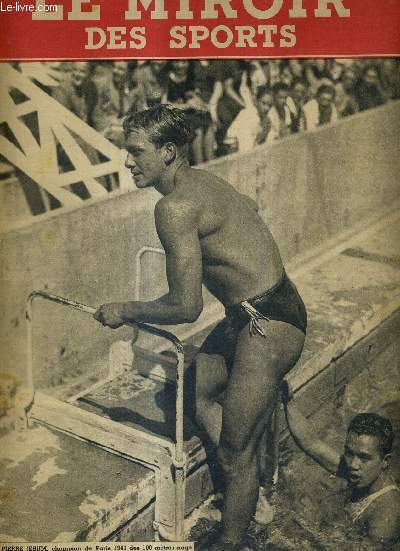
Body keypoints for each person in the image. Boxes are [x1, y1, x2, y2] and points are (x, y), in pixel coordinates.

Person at [94, 106, 307, 550]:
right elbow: (245, 209)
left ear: (167, 152)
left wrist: (125, 310)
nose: (127, 162)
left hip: (270, 323)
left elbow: (186, 306)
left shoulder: (174, 208)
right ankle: (247, 464)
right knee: (197, 392)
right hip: (252, 311)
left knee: (233, 449)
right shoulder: (203, 181)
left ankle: (234, 534)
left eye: (135, 152)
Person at [282, 384, 400, 546]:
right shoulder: (361, 473)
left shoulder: (387, 514)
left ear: (385, 461)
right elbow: (311, 443)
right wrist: (288, 402)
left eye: (364, 457)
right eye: (349, 453)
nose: (353, 464)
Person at [225, 86, 273, 153]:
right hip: (237, 150)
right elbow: (242, 143)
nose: (266, 108)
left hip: (253, 150)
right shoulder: (247, 115)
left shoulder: (267, 121)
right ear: (256, 101)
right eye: (263, 103)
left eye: (270, 105)